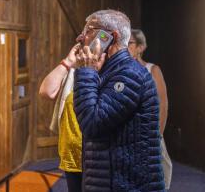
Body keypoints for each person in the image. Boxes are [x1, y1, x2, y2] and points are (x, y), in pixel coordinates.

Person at [73, 10, 165, 191]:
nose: (80, 37)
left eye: (89, 30)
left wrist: (87, 72)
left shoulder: (129, 74)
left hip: (127, 185)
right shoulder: (110, 71)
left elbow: (91, 123)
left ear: (111, 37)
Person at [128, 29, 172, 190]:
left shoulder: (152, 70)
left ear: (140, 47)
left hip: (150, 133)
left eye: (130, 43)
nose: (126, 46)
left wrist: (158, 134)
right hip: (129, 135)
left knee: (160, 172)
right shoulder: (123, 71)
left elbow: (163, 104)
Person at [39, 43, 83, 192]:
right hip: (71, 154)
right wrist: (68, 62)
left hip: (96, 157)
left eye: (90, 31)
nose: (81, 38)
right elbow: (46, 91)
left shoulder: (110, 68)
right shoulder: (73, 69)